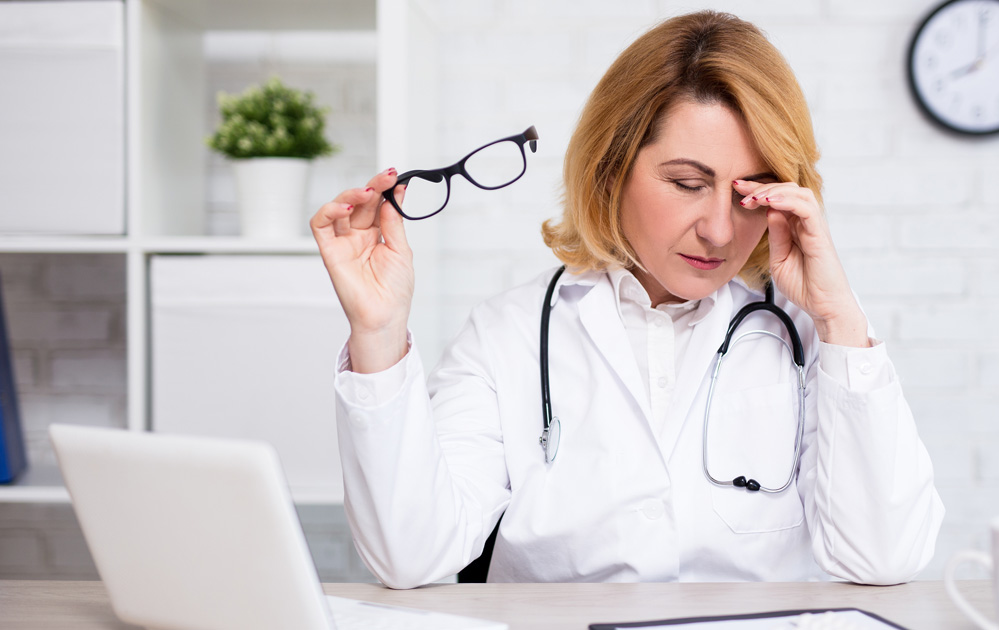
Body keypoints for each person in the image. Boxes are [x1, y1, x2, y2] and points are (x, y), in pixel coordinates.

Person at [310, 11, 943, 588]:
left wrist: (839, 322)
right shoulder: (507, 334)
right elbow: (409, 556)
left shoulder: (812, 339)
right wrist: (379, 331)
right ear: (611, 168)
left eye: (750, 193)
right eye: (688, 184)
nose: (720, 230)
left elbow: (884, 557)